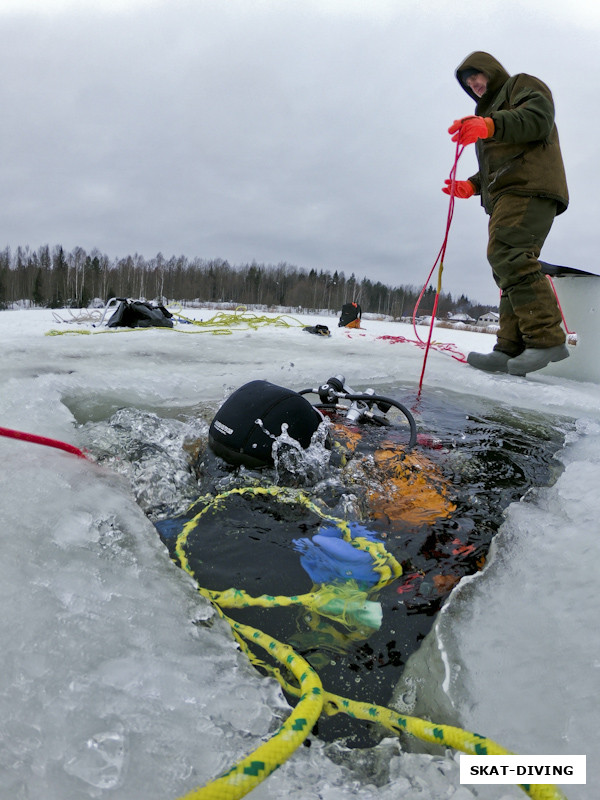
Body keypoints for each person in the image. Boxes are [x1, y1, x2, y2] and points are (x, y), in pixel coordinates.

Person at [443, 51, 570, 376]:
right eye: (468, 82)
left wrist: (489, 124)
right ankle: (509, 349)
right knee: (505, 265)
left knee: (508, 253)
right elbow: (497, 166)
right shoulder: (488, 113)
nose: (473, 84)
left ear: (491, 70)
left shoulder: (520, 86)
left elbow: (538, 119)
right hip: (506, 193)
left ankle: (546, 339)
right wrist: (471, 186)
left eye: (476, 76)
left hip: (529, 186)